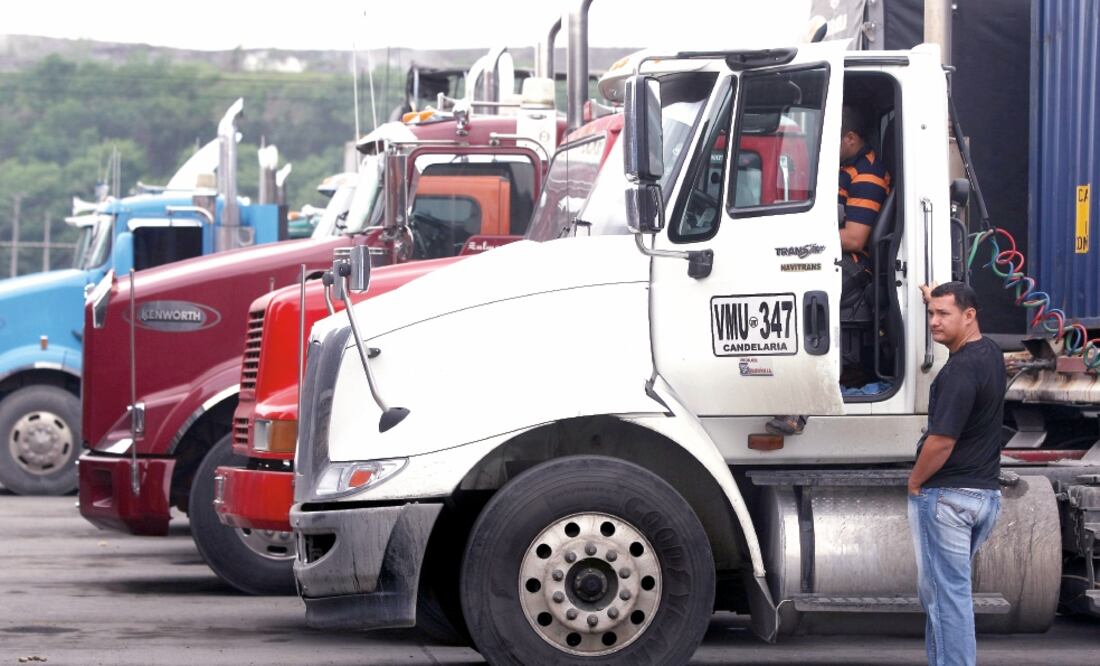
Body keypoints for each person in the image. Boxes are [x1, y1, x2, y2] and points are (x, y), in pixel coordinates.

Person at [765, 105, 891, 436]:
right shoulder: (845, 168)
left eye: (832, 138)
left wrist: (801, 240)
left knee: (795, 295)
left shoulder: (867, 175)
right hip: (837, 255)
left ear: (850, 138)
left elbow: (855, 238)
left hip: (855, 264)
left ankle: (800, 405)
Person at [908, 281, 1004, 666]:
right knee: (945, 597)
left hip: (948, 497)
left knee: (947, 600)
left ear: (969, 316)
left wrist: (915, 482)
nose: (934, 321)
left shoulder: (959, 371)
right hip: (984, 496)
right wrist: (935, 296)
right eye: (931, 313)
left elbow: (942, 442)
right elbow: (958, 310)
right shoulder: (990, 353)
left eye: (943, 314)